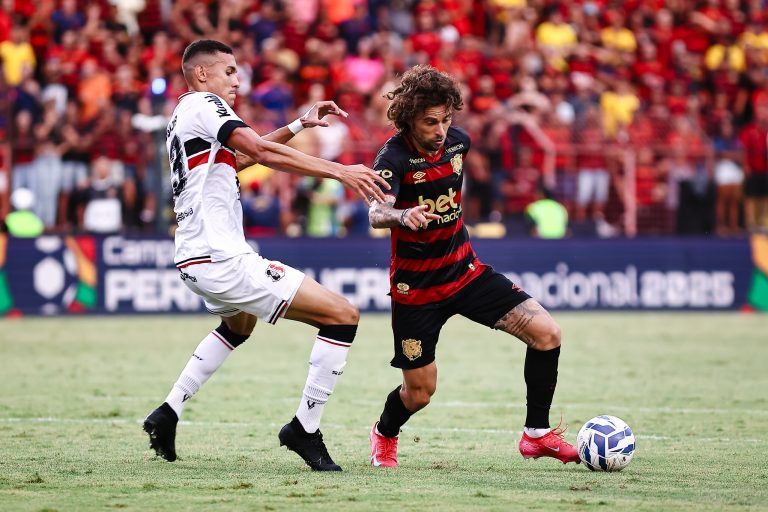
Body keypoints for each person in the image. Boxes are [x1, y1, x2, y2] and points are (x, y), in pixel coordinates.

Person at [143, 39, 389, 472]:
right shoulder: (204, 103)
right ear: (202, 74)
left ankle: (167, 412)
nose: (238, 80)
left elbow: (236, 160)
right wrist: (340, 170)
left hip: (196, 255)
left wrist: (298, 124)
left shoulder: (184, 114)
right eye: (231, 71)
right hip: (220, 256)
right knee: (342, 315)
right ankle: (304, 429)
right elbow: (258, 151)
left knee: (238, 326)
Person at [366, 65, 579, 468]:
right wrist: (402, 215)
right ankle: (384, 433)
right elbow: (376, 212)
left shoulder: (458, 144)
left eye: (446, 119)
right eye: (431, 122)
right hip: (417, 291)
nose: (441, 129)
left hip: (465, 273)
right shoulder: (392, 156)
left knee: (547, 333)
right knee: (420, 394)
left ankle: (536, 434)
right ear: (408, 117)